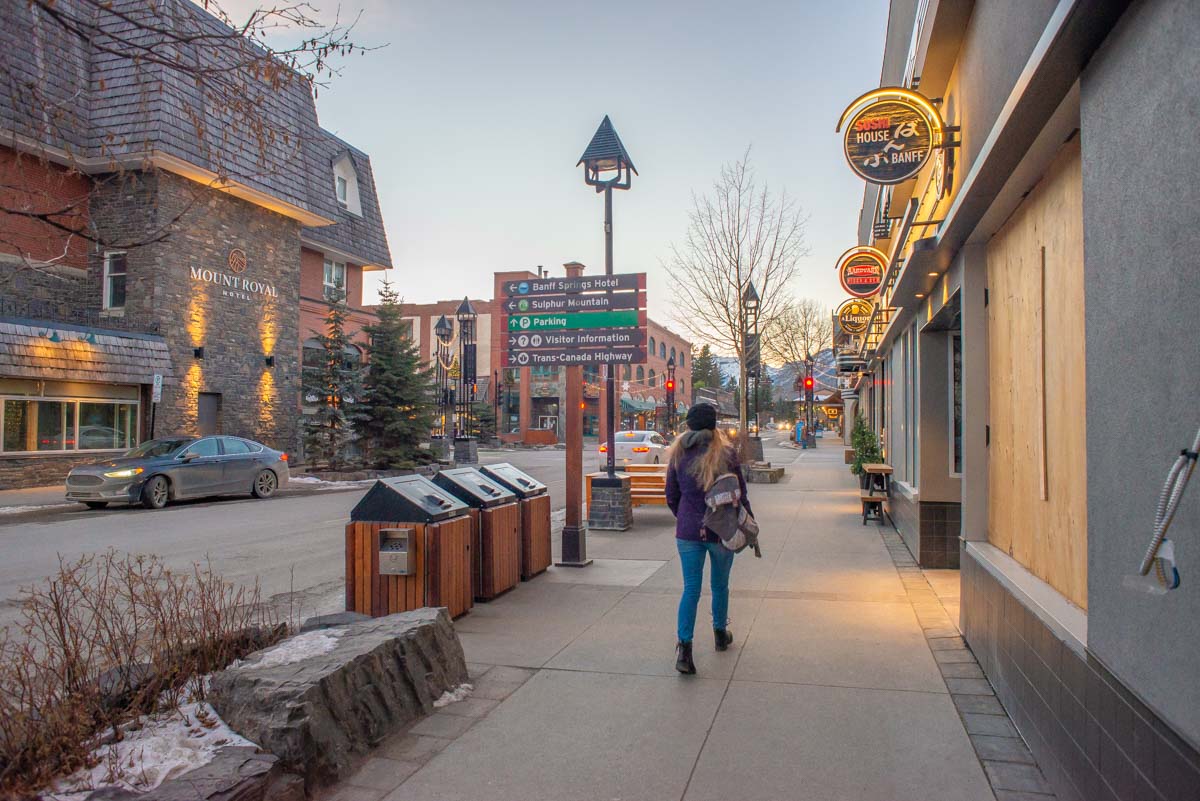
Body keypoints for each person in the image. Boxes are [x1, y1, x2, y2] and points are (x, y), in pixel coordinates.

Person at [665, 402, 752, 675]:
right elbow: (741, 491)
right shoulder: (725, 453)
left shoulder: (678, 454)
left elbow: (671, 495)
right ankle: (719, 634)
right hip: (721, 529)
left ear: (688, 425)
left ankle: (685, 651)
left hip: (688, 532)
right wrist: (747, 518)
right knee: (720, 585)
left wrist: (685, 517)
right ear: (714, 425)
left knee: (691, 589)